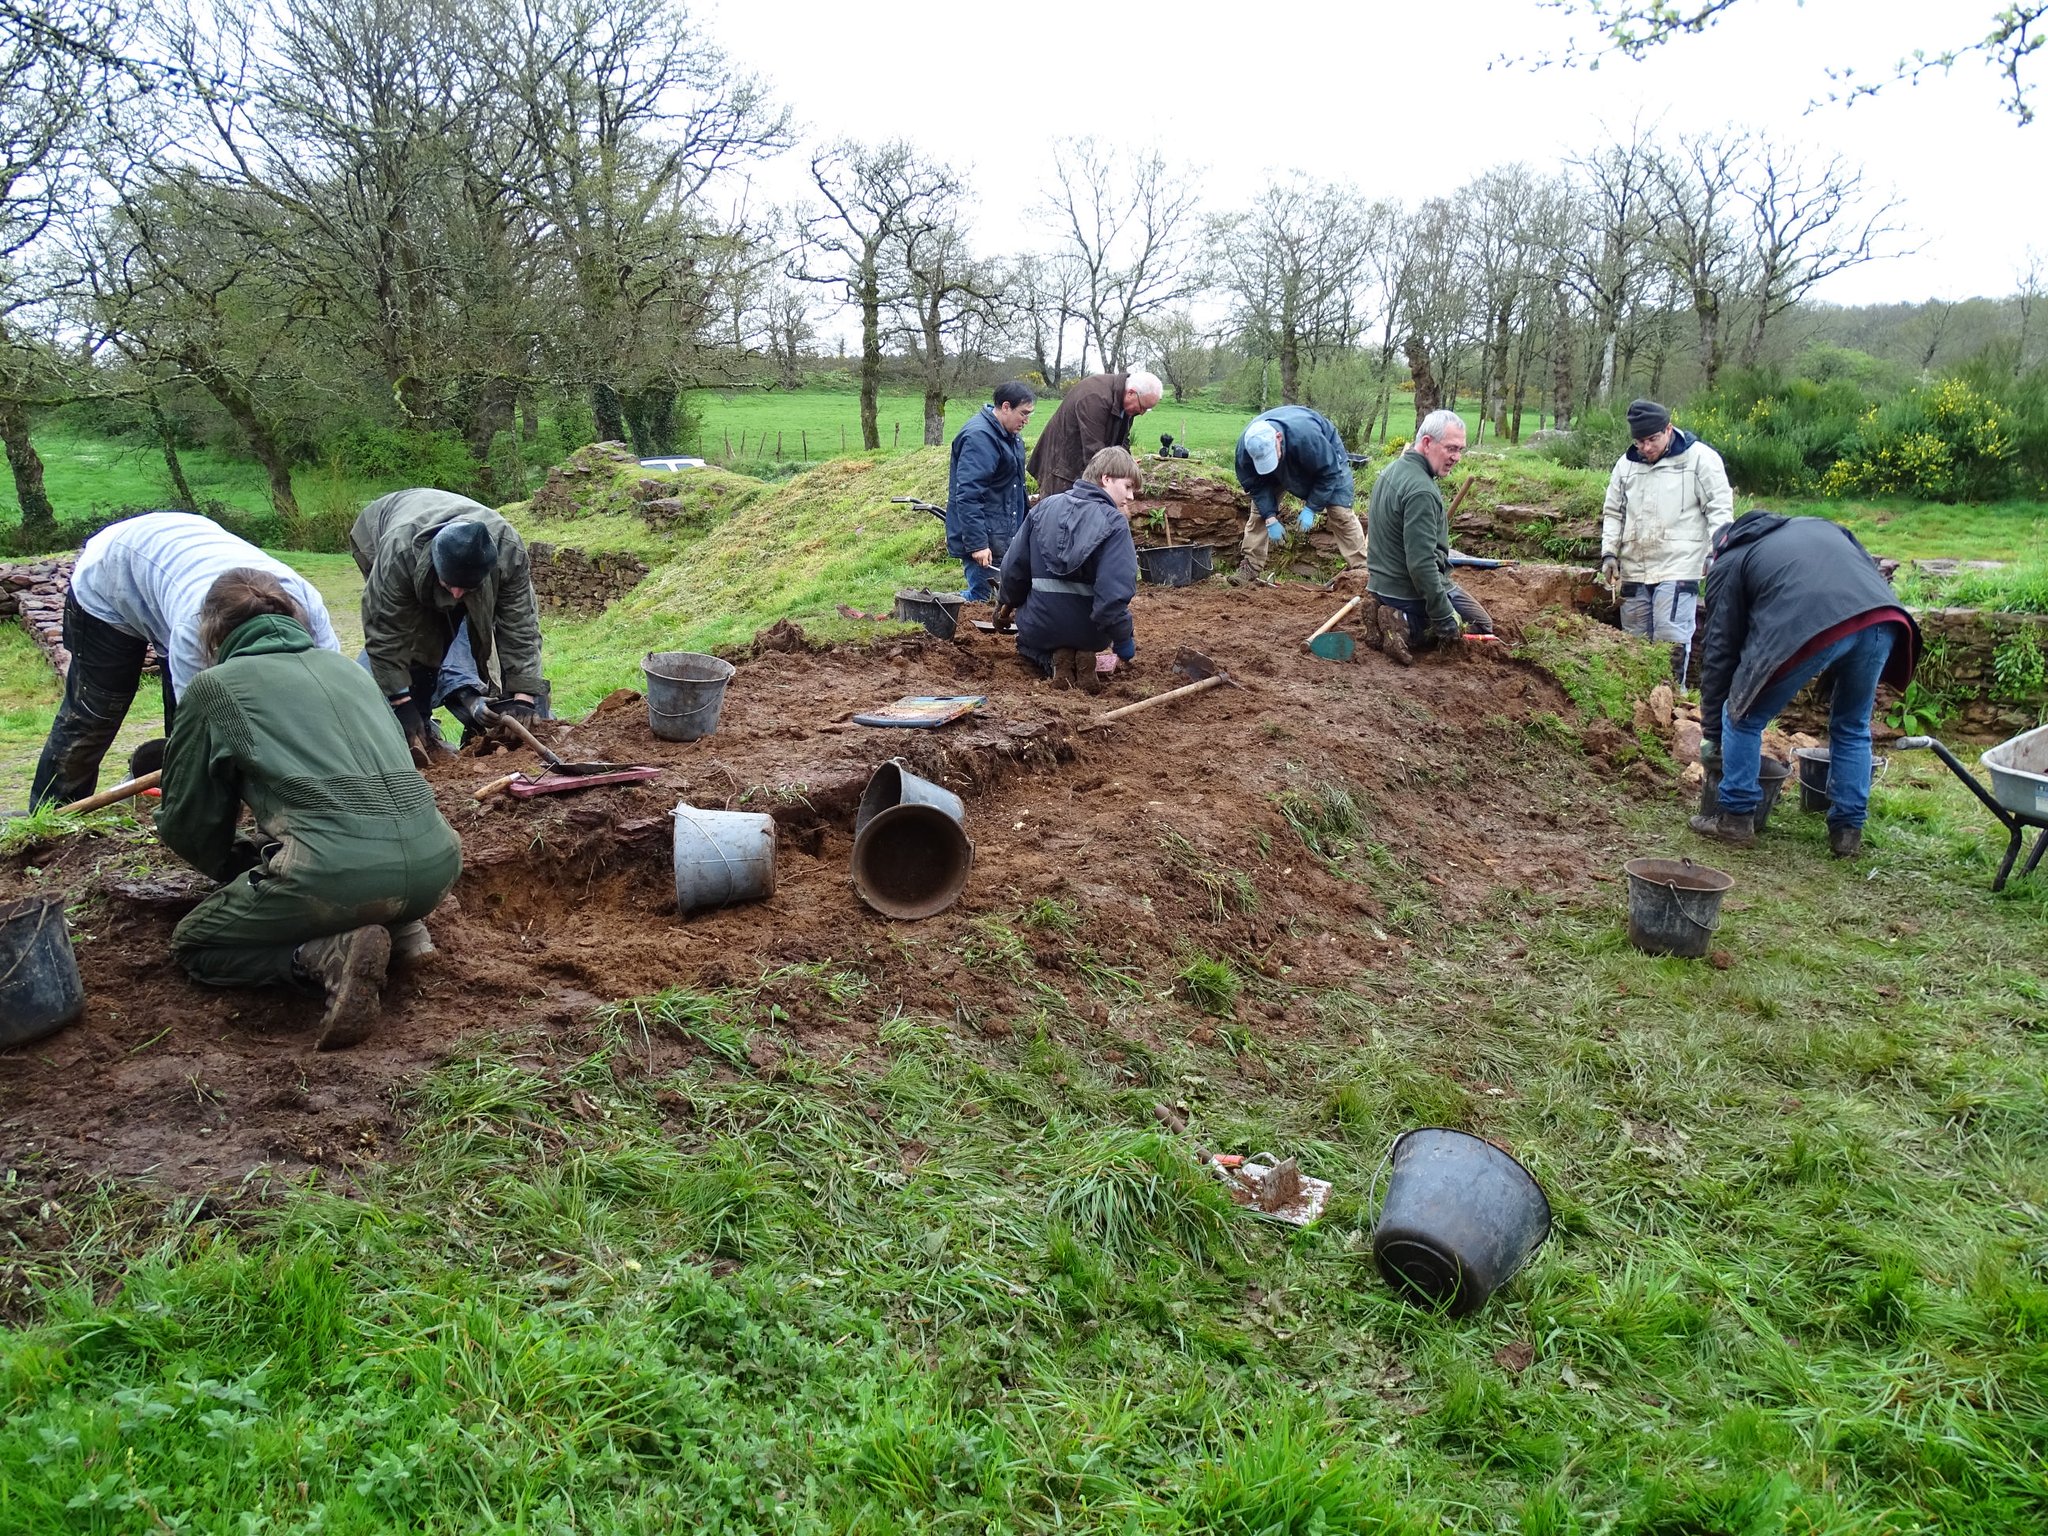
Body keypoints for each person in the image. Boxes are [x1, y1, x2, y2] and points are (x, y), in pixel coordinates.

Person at [157, 569, 463, 1049]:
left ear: (212, 632)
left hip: (335, 873)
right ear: (292, 615)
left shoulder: (213, 689)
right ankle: (405, 925)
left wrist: (229, 864)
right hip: (438, 865)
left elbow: (189, 823)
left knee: (195, 943)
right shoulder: (348, 671)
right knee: (345, 839)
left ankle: (321, 953)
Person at [27, 512, 340, 809]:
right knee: (97, 711)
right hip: (113, 573)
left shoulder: (307, 606)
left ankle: (179, 800)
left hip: (178, 559)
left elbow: (328, 693)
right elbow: (200, 719)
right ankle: (53, 816)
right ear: (217, 642)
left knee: (181, 730)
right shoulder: (195, 627)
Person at [1690, 511, 1920, 858]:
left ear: (1719, 548)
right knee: (1853, 725)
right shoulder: (1817, 525)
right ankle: (1847, 831)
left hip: (1811, 623)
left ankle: (1735, 817)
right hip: (1882, 619)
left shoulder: (1732, 558)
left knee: (1741, 716)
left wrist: (1712, 731)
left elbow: (1720, 649)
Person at [350, 488, 544, 766]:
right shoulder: (399, 554)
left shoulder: (508, 552)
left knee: (469, 627)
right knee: (421, 639)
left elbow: (520, 625)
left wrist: (524, 697)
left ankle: (459, 716)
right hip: (379, 529)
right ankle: (417, 729)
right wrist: (402, 704)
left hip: (464, 541)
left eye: (465, 588)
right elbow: (385, 635)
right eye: (449, 584)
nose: (455, 595)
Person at [1600, 398, 1733, 687]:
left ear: (1668, 429)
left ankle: (1672, 699)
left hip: (1679, 565)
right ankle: (1635, 701)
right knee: (1633, 642)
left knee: (1670, 637)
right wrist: (1609, 553)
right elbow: (1613, 512)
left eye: (1652, 439)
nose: (1646, 448)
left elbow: (1719, 509)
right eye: (1639, 442)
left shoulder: (1700, 459)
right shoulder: (1626, 465)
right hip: (1634, 566)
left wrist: (1716, 551)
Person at [994, 446, 1141, 693]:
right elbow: (1113, 593)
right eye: (1128, 487)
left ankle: (1052, 661)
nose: (1131, 497)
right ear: (1106, 479)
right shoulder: (1115, 523)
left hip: (1040, 627)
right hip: (1090, 633)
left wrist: (1005, 604)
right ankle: (1083, 655)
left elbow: (1014, 569)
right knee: (1084, 637)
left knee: (1025, 643)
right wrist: (1124, 639)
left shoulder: (1043, 508)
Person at [1363, 410, 1493, 663]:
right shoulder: (1422, 491)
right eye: (1451, 448)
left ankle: (1382, 612)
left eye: (1460, 450)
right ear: (1426, 443)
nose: (1456, 457)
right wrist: (1444, 617)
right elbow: (1421, 564)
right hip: (1405, 589)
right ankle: (1407, 625)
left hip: (1380, 584)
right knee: (1480, 624)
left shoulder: (1391, 470)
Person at [1226, 405, 1369, 588]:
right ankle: (1250, 566)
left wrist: (1311, 508)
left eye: (1271, 456)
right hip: (1284, 458)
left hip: (1325, 458)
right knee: (1259, 513)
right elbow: (1256, 486)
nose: (1270, 464)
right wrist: (1270, 517)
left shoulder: (1308, 438)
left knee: (1340, 512)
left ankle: (1361, 570)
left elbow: (1329, 474)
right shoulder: (1245, 450)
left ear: (1278, 438)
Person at [945, 381, 1034, 601]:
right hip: (987, 537)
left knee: (997, 598)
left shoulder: (1010, 436)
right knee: (982, 599)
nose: (1026, 420)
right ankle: (935, 611)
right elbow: (968, 495)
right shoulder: (980, 438)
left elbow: (1014, 487)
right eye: (1023, 413)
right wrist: (978, 544)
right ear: (1005, 407)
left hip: (1002, 533)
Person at [1026, 369, 1163, 497]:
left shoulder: (1126, 403)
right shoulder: (1094, 398)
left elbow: (1123, 439)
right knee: (1060, 517)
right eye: (1143, 407)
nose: (1142, 412)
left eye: (1147, 409)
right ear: (1131, 393)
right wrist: (1118, 478)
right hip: (1061, 469)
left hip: (1080, 466)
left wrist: (1127, 465)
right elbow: (1095, 452)